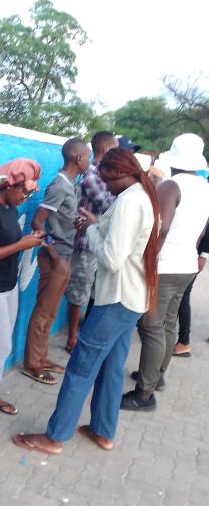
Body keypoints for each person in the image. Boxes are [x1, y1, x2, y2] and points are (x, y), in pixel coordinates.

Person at [12, 147, 159, 454]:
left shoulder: (130, 201)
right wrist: (97, 223)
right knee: (112, 367)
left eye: (106, 178)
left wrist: (91, 229)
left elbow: (111, 258)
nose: (104, 184)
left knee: (81, 367)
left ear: (119, 172)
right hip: (132, 298)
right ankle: (103, 431)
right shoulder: (140, 196)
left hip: (116, 300)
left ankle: (55, 437)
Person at [122, 133, 209, 411]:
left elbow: (161, 225)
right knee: (168, 324)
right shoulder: (205, 188)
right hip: (186, 264)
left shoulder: (171, 185)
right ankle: (155, 376)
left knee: (150, 326)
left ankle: (144, 394)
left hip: (165, 264)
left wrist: (148, 258)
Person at [0, 159, 45, 429]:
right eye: (24, 192)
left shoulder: (8, 208)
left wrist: (28, 241)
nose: (25, 198)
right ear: (8, 185)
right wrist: (20, 245)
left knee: (4, 346)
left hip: (8, 284)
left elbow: (11, 242)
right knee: (1, 345)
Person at [22, 138, 91, 384]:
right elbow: (37, 223)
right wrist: (53, 255)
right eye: (88, 156)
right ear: (78, 159)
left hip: (64, 255)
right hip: (55, 259)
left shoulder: (70, 184)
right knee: (43, 312)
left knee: (50, 313)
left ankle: (41, 357)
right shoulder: (59, 186)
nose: (90, 161)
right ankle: (32, 364)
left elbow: (57, 219)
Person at [65, 131, 118, 353]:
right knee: (80, 290)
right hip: (86, 243)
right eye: (115, 149)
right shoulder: (92, 176)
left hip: (97, 240)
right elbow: (109, 205)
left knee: (92, 290)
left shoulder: (103, 174)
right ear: (105, 150)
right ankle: (72, 339)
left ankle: (81, 333)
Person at [172, 223, 209, 357]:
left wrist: (203, 255)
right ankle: (181, 340)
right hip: (188, 252)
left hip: (192, 254)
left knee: (183, 295)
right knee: (182, 295)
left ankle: (183, 342)